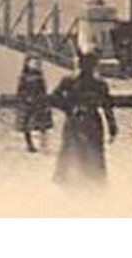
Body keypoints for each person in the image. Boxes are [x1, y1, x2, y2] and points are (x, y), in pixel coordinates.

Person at [50, 51, 118, 187]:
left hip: (76, 120)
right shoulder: (99, 85)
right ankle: (93, 180)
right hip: (92, 121)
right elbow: (107, 107)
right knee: (92, 151)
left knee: (72, 149)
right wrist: (112, 127)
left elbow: (53, 98)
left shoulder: (69, 81)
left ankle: (69, 179)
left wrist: (68, 108)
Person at [15, 55, 53, 153]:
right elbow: (20, 90)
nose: (36, 65)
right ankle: (29, 144)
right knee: (26, 125)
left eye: (38, 63)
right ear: (27, 64)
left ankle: (43, 144)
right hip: (27, 103)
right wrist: (24, 98)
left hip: (39, 103)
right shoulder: (24, 77)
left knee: (41, 125)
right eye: (34, 63)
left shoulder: (40, 78)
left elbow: (43, 91)